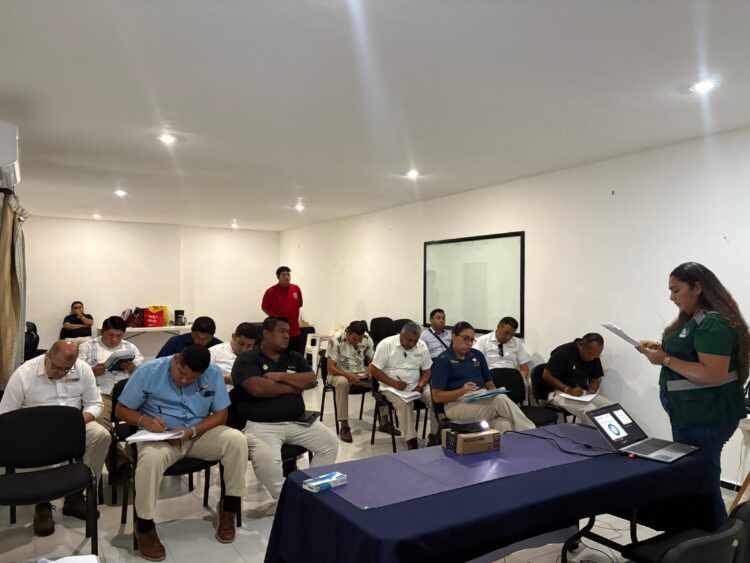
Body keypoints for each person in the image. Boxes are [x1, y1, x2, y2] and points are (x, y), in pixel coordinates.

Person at [637, 262, 748, 530]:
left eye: (676, 290)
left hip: (705, 416)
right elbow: (693, 353)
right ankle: (704, 539)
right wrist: (660, 348)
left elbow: (713, 374)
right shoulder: (697, 320)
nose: (671, 297)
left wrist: (664, 359)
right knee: (698, 479)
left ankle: (718, 543)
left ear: (697, 287)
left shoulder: (711, 323)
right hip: (695, 414)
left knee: (702, 483)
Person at [115, 346, 248, 560]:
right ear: (176, 359)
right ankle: (145, 525)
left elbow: (221, 414)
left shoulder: (212, 373)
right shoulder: (148, 371)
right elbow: (120, 410)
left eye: (192, 379)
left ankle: (229, 508)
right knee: (149, 459)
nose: (185, 381)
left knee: (237, 440)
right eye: (181, 374)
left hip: (197, 434)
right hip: (162, 438)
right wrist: (145, 420)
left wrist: (192, 431)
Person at [0, 340, 110, 537]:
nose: (61, 373)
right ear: (47, 357)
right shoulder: (24, 374)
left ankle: (75, 496)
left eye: (67, 369)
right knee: (35, 447)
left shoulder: (82, 369)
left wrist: (77, 422)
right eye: (57, 367)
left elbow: (95, 403)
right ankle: (42, 504)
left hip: (74, 425)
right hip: (36, 430)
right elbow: (6, 414)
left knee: (101, 436)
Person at [232, 316, 338, 499]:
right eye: (282, 331)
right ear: (266, 333)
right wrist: (293, 387)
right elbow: (258, 389)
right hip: (262, 426)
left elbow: (311, 380)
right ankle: (291, 500)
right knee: (269, 467)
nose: (287, 336)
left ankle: (309, 494)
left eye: (288, 332)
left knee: (330, 444)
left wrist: (280, 376)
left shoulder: (294, 357)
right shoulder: (247, 359)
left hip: (297, 422)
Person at [432, 322, 535, 433]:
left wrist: (494, 393)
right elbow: (437, 397)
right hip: (456, 404)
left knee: (505, 424)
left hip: (480, 398)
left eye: (472, 340)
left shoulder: (477, 355)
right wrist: (462, 391)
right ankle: (531, 432)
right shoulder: (443, 360)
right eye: (465, 338)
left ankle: (518, 442)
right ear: (453, 336)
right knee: (499, 400)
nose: (469, 343)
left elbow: (489, 384)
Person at [79, 315, 144, 473]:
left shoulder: (130, 347)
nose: (114, 339)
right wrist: (92, 371)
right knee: (100, 425)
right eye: (110, 335)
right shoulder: (87, 347)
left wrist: (133, 369)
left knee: (147, 416)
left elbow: (144, 372)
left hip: (128, 393)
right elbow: (75, 373)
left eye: (119, 336)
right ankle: (121, 464)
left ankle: (135, 457)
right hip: (101, 392)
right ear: (102, 332)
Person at [326, 320, 400, 443]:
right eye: (354, 339)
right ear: (348, 332)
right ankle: (344, 425)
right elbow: (330, 367)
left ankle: (384, 422)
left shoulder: (366, 338)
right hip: (339, 373)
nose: (358, 342)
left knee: (381, 379)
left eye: (360, 339)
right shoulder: (336, 340)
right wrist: (348, 375)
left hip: (360, 373)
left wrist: (370, 370)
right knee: (342, 383)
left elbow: (373, 360)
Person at [370, 321, 439, 449]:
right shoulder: (386, 344)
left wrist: (420, 386)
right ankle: (411, 441)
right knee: (405, 404)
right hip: (390, 387)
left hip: (416, 386)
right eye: (409, 340)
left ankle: (434, 436)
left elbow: (427, 371)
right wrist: (394, 384)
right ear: (401, 335)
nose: (412, 344)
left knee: (436, 399)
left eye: (415, 341)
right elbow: (374, 370)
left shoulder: (421, 345)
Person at [542, 333, 614, 424]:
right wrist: (569, 390)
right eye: (591, 354)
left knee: (612, 408)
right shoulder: (563, 352)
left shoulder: (594, 355)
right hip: (559, 393)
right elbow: (546, 375)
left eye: (597, 355)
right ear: (581, 345)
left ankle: (619, 433)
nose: (593, 358)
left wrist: (591, 391)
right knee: (591, 411)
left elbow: (595, 379)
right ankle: (595, 433)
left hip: (582, 393)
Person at [261, 266, 304, 355]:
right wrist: (274, 318)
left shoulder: (296, 288)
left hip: (295, 331)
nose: (286, 277)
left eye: (288, 274)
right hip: (279, 333)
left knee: (296, 356)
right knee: (280, 357)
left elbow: (299, 305)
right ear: (278, 277)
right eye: (283, 275)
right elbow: (264, 308)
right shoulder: (271, 291)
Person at [210, 322, 259, 389]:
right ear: (233, 336)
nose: (244, 349)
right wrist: (225, 380)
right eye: (241, 344)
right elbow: (202, 383)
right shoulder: (214, 352)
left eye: (249, 346)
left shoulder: (255, 356)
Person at [156, 315, 222, 358]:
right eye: (197, 337)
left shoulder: (220, 347)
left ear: (212, 336)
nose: (200, 342)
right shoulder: (176, 341)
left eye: (205, 339)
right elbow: (157, 363)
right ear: (192, 332)